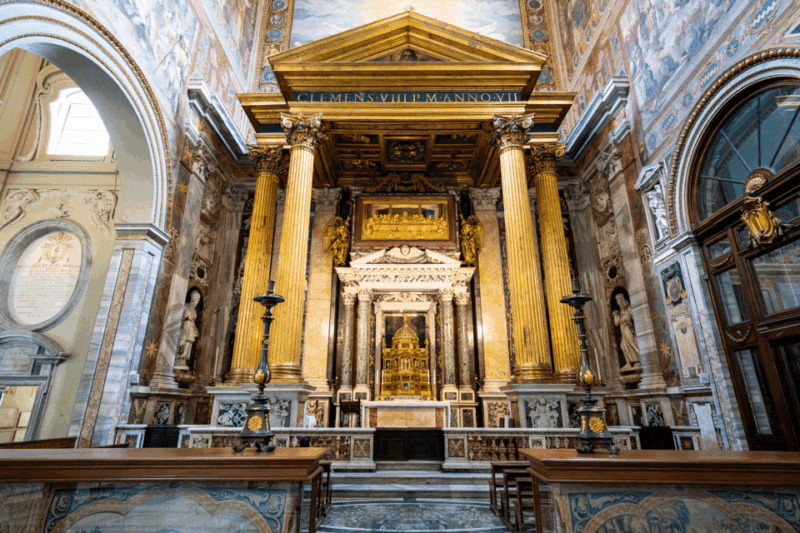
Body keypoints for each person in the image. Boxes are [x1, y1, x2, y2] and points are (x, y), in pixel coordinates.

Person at [613, 293, 641, 371]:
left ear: (622, 300)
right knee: (623, 345)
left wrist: (627, 320)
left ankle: (638, 360)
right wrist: (616, 315)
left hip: (628, 329)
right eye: (617, 301)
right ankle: (628, 362)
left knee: (632, 343)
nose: (618, 302)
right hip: (623, 329)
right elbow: (616, 323)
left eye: (618, 300)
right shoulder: (620, 311)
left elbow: (635, 317)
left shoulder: (628, 308)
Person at [175, 290, 201, 369]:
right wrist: (185, 318)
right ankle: (178, 361)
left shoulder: (194, 310)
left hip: (191, 329)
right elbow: (178, 318)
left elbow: (193, 321)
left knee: (188, 345)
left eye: (199, 300)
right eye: (198, 299)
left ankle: (183, 361)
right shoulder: (185, 306)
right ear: (194, 299)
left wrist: (195, 330)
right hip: (185, 328)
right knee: (182, 343)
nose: (198, 301)